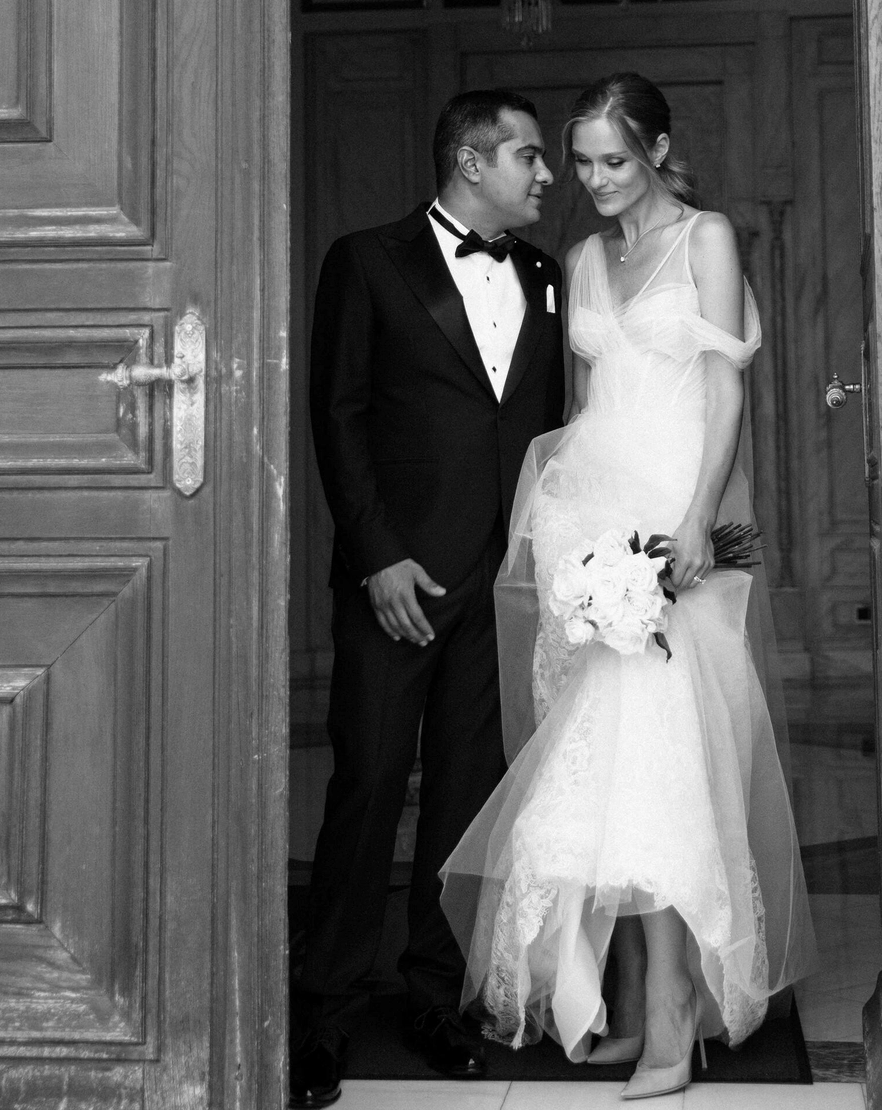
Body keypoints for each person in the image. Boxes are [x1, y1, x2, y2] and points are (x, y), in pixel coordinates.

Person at [441, 71, 816, 1101]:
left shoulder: (707, 239)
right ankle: (651, 1010)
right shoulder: (581, 260)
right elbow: (580, 409)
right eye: (582, 162)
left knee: (663, 770)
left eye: (614, 159)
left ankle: (671, 1013)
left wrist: (695, 519)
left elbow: (725, 391)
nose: (595, 179)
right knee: (611, 776)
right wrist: (568, 539)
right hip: (596, 527)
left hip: (671, 527)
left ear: (656, 149)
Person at [292, 89, 566, 1107]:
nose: (546, 175)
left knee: (465, 793)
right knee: (368, 787)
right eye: (529, 155)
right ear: (470, 160)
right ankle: (323, 1011)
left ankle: (434, 999)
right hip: (398, 580)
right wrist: (377, 557)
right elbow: (338, 413)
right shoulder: (366, 261)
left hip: (502, 579)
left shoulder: (545, 276)